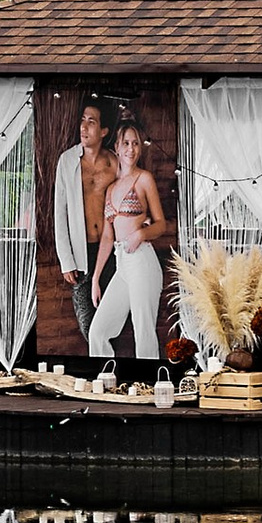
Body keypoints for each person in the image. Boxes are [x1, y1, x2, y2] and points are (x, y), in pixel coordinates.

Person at [88, 113, 169, 363]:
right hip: (121, 264)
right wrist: (96, 278)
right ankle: (107, 385)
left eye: (135, 143)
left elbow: (161, 224)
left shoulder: (144, 179)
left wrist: (141, 233)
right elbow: (106, 238)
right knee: (98, 332)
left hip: (142, 259)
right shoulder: (111, 188)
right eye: (126, 143)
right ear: (116, 147)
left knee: (143, 330)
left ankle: (150, 388)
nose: (131, 149)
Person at [52, 96, 112, 352]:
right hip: (80, 253)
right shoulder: (67, 161)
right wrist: (66, 260)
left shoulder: (114, 162)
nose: (84, 127)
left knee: (112, 318)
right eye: (83, 120)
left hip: (110, 252)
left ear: (104, 131)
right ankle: (101, 372)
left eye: (92, 122)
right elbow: (60, 212)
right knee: (87, 323)